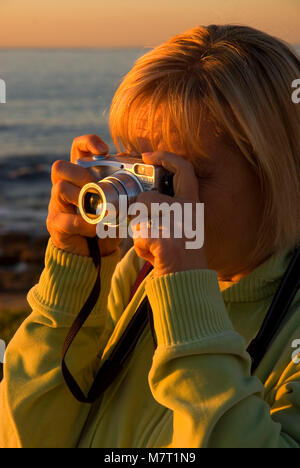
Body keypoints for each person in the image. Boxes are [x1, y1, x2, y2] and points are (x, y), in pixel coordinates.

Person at [1, 24, 300, 448]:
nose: (155, 202)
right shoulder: (138, 277)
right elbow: (21, 437)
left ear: (279, 171)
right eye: (141, 170)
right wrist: (73, 279)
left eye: (185, 175)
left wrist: (186, 295)